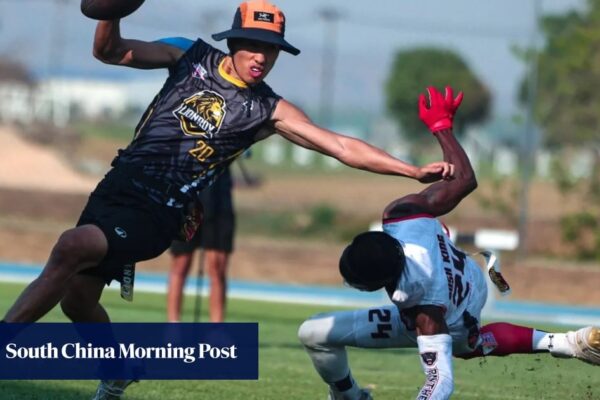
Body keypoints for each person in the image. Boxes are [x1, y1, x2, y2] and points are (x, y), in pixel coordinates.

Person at [1, 1, 454, 398]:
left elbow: (339, 145)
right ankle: (118, 371)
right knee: (77, 300)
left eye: (271, 49)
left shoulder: (268, 110)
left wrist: (410, 169)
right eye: (254, 45)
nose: (262, 57)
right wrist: (110, 10)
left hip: (160, 213)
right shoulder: (187, 53)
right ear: (233, 41)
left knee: (71, 246)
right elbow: (110, 51)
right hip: (114, 189)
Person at [297, 86, 600, 400]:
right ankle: (564, 342)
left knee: (466, 344)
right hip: (468, 277)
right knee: (314, 331)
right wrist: (442, 129)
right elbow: (464, 179)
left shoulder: (423, 310)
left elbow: (440, 382)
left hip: (454, 317)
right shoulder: (402, 217)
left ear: (379, 282)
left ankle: (558, 343)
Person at [167, 166, 235, 323]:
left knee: (217, 266)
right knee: (181, 263)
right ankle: (173, 325)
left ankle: (217, 328)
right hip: (187, 195)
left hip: (219, 198)